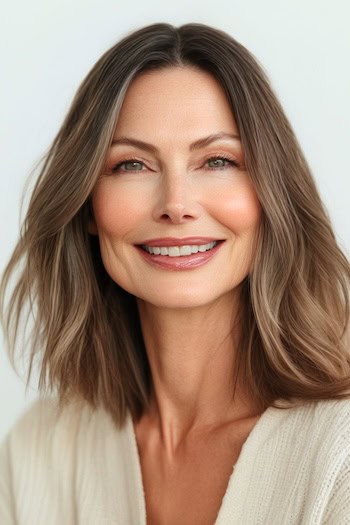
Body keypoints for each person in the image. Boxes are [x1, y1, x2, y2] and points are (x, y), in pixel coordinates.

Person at [0, 21, 350, 525]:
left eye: (217, 160)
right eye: (132, 166)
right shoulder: (40, 453)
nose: (176, 205)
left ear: (271, 195)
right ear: (88, 208)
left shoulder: (338, 455)